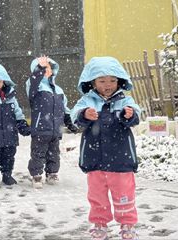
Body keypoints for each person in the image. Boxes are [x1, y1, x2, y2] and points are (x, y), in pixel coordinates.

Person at [70, 56, 140, 240]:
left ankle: (127, 224)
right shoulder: (87, 101)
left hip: (121, 159)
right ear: (92, 82)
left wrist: (129, 115)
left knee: (124, 193)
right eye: (102, 81)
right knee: (97, 195)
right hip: (95, 158)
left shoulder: (125, 101)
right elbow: (73, 118)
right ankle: (99, 223)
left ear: (120, 81)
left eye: (112, 80)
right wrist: (84, 115)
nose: (107, 84)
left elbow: (136, 115)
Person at [26, 56, 78, 189]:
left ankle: (52, 173)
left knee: (54, 154)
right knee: (38, 153)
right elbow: (32, 85)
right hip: (41, 128)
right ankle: (37, 175)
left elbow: (65, 108)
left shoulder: (58, 90)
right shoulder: (34, 86)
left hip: (55, 129)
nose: (46, 69)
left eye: (48, 67)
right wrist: (39, 71)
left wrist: (69, 122)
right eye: (42, 67)